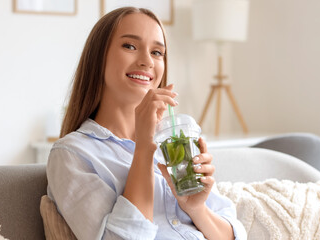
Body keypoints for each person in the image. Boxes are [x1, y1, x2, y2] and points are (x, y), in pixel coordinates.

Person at [46, 7, 246, 240]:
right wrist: (143, 149)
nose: (147, 61)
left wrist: (196, 208)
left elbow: (233, 235)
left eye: (157, 52)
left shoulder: (173, 143)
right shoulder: (72, 155)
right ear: (98, 58)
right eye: (130, 46)